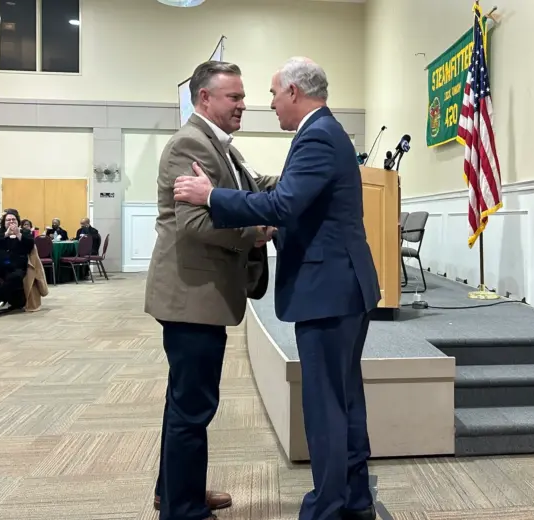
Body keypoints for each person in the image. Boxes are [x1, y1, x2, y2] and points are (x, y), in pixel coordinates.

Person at [174, 57, 381, 520]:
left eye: (270, 94)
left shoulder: (317, 135)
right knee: (344, 399)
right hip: (341, 287)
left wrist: (210, 196)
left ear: (293, 93)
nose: (266, 104)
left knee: (326, 406)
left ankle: (328, 507)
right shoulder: (324, 132)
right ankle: (354, 499)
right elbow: (294, 195)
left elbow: (285, 203)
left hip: (329, 290)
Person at [145, 60, 276, 520]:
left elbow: (253, 186)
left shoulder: (221, 147)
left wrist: (303, 177)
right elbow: (197, 222)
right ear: (205, 98)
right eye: (234, 97)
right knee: (193, 407)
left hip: (198, 296)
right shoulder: (189, 144)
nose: (243, 105)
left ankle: (174, 491)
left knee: (183, 400)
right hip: (190, 297)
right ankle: (183, 509)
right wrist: (256, 232)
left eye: (242, 96)